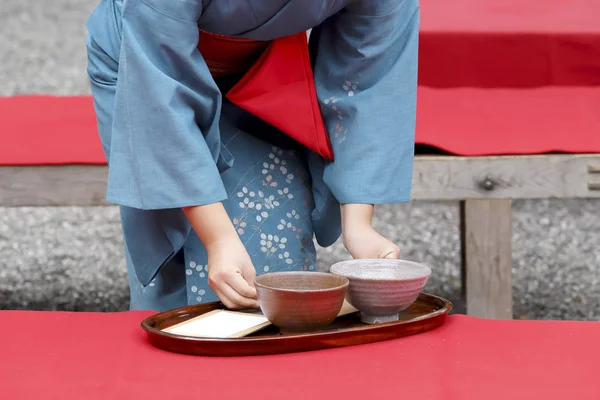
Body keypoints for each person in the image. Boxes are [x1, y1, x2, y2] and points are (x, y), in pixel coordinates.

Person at [85, 0, 419, 312]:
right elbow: (159, 94)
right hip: (143, 67)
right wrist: (218, 238)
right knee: (180, 250)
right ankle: (170, 367)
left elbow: (367, 74)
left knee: (273, 265)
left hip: (263, 74)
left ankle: (272, 374)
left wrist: (358, 225)